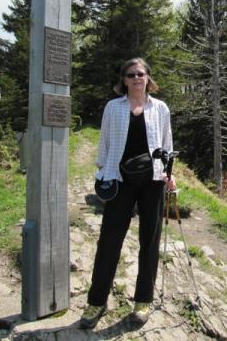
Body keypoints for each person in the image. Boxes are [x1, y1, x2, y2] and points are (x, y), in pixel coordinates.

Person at [80, 58, 175, 329]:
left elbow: (167, 143)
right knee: (109, 241)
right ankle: (96, 302)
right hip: (119, 180)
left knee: (150, 242)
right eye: (131, 74)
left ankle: (143, 301)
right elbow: (105, 143)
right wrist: (103, 171)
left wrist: (169, 173)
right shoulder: (113, 107)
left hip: (153, 181)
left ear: (148, 77)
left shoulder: (160, 108)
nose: (136, 78)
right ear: (124, 79)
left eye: (140, 74)